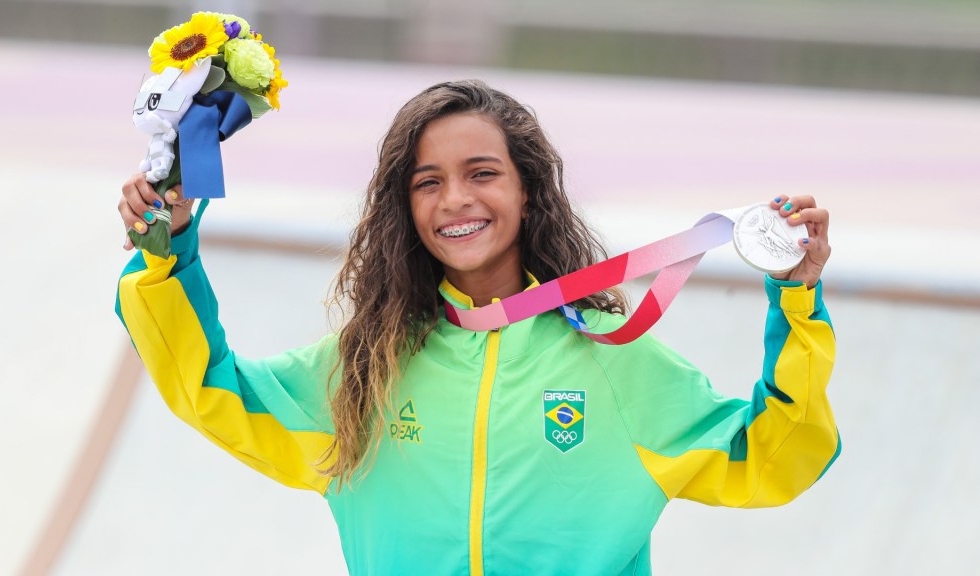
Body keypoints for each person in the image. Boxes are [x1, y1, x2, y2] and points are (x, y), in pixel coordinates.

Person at [116, 80, 838, 575]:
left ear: (528, 191)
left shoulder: (615, 364)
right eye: (428, 181)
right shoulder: (364, 367)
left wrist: (796, 300)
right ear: (407, 208)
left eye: (482, 172)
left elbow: (775, 456)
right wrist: (167, 251)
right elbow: (210, 387)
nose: (455, 198)